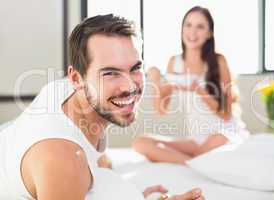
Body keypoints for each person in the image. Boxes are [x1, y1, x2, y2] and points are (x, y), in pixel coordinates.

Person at [0, 14, 204, 200]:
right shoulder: (62, 160)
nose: (130, 86)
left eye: (135, 68)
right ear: (76, 78)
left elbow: (99, 162)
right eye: (111, 73)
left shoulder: (75, 98)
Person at [132, 6, 249, 164]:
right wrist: (156, 81)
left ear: (209, 33)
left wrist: (199, 91)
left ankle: (189, 161)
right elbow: (162, 110)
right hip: (196, 139)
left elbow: (226, 114)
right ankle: (193, 163)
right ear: (182, 28)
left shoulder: (218, 61)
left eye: (200, 27)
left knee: (220, 138)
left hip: (223, 134)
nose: (192, 32)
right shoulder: (175, 63)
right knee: (141, 143)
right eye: (188, 25)